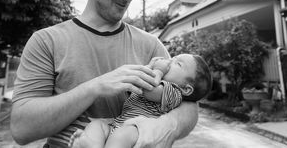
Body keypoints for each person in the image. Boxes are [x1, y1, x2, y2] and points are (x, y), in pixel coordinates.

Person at [11, 0, 199, 148]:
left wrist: (168, 127)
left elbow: (188, 104)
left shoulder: (151, 45)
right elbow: (22, 128)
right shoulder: (46, 41)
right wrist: (94, 88)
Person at [69, 54, 212, 148]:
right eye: (173, 58)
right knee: (97, 124)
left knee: (121, 135)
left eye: (178, 64)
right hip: (119, 124)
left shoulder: (173, 92)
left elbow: (147, 88)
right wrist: (150, 68)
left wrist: (158, 70)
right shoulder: (160, 81)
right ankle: (91, 143)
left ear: (186, 89)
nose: (170, 61)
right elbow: (136, 84)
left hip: (136, 131)